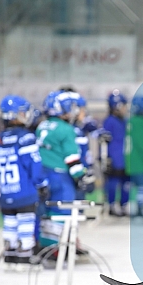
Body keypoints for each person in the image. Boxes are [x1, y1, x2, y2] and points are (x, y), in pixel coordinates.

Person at [0, 95, 48, 269]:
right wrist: (41, 184)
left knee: (9, 222)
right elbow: (34, 164)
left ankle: (10, 255)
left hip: (5, 192)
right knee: (26, 221)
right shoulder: (26, 138)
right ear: (15, 115)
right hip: (24, 192)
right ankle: (25, 256)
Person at [35, 91, 93, 251]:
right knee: (63, 212)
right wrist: (81, 177)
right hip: (60, 177)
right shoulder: (66, 129)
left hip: (43, 175)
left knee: (45, 213)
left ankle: (43, 247)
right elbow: (71, 158)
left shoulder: (41, 125)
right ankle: (58, 250)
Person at [102, 90, 130, 216]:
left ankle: (123, 204)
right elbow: (104, 141)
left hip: (125, 158)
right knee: (113, 182)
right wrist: (106, 158)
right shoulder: (109, 121)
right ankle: (112, 204)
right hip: (115, 158)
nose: (125, 108)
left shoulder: (124, 121)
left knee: (126, 182)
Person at [125, 96, 143, 217]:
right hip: (140, 161)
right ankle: (140, 209)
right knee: (142, 186)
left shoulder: (129, 121)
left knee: (133, 186)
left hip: (130, 160)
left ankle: (132, 206)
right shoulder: (141, 122)